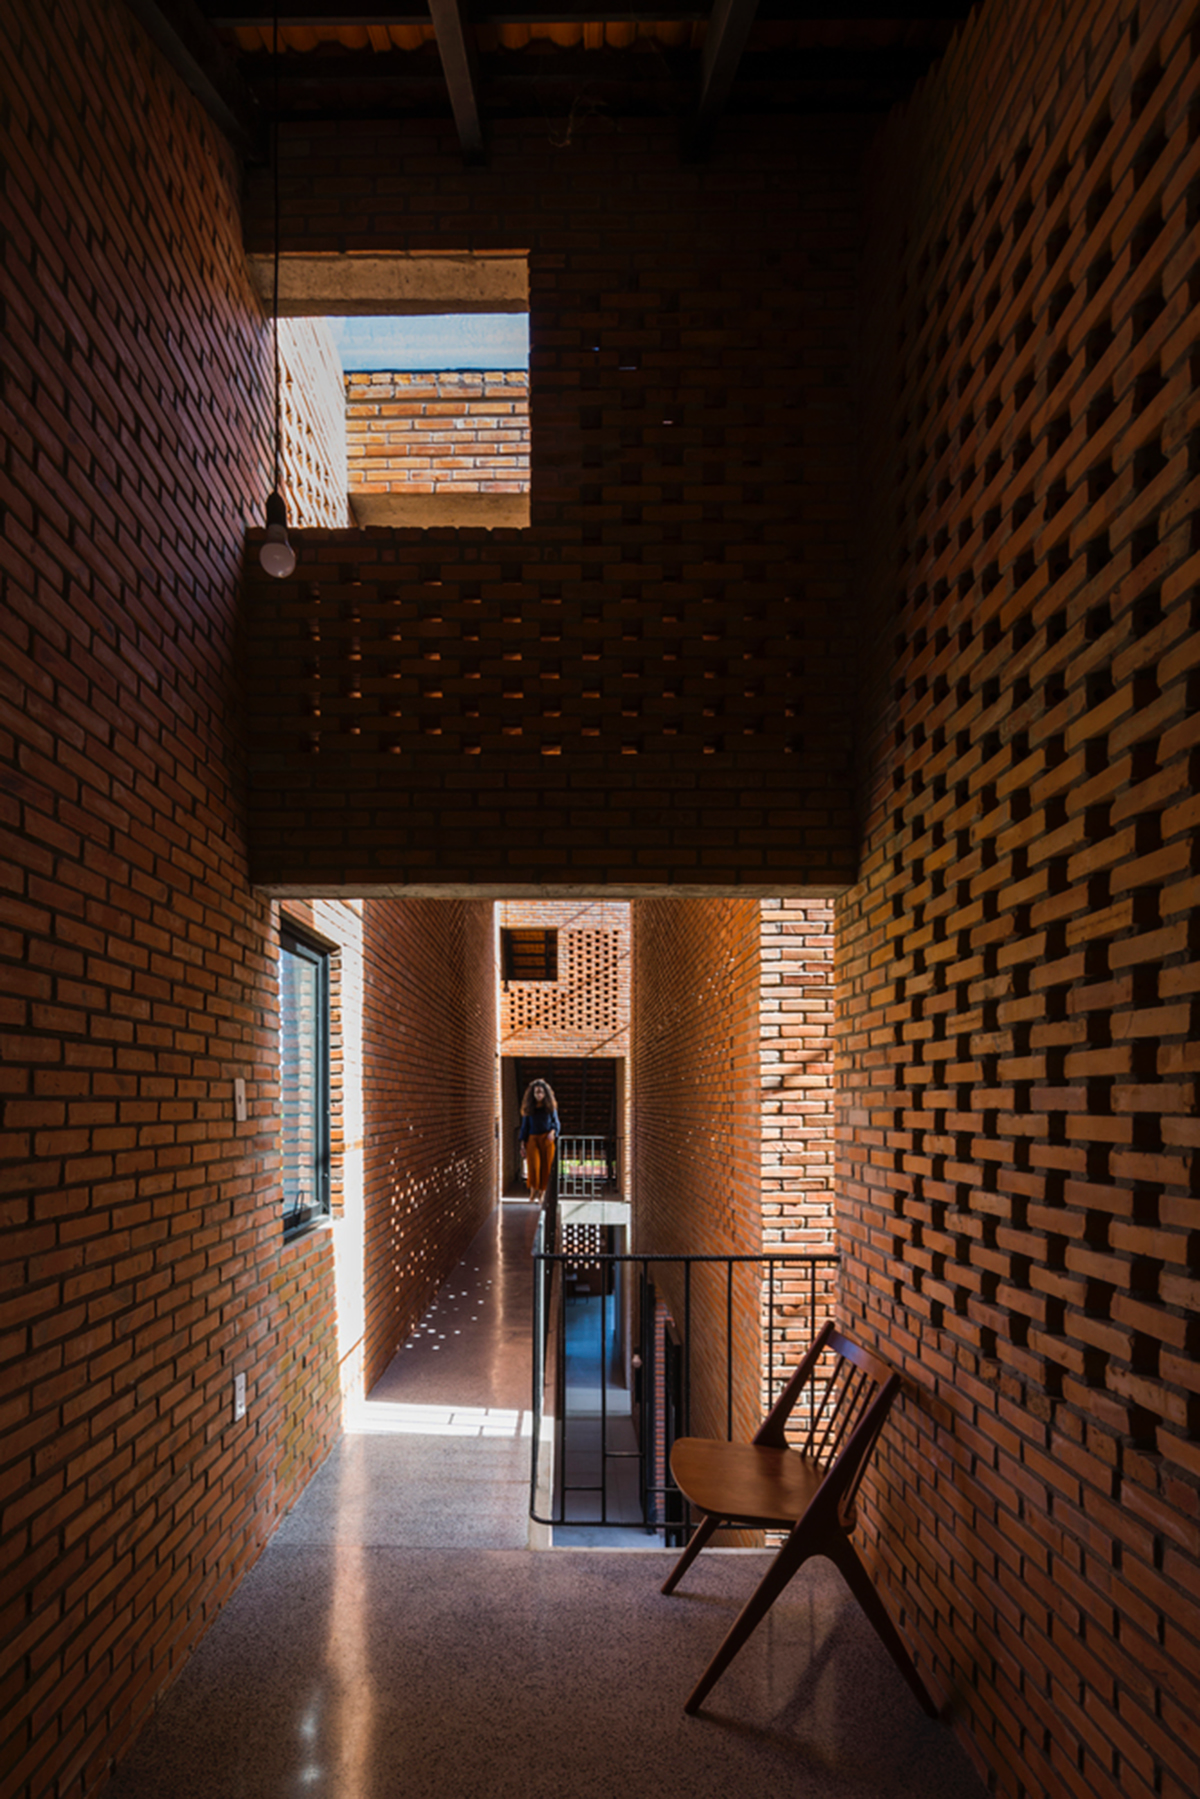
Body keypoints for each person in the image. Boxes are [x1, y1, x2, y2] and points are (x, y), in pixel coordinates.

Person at [518, 1077, 560, 1203]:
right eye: (536, 1092)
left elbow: (556, 1123)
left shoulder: (550, 1107)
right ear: (533, 1094)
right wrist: (522, 1143)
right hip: (532, 1139)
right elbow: (525, 1126)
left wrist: (553, 1132)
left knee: (546, 1167)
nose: (539, 1095)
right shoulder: (529, 1108)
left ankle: (542, 1193)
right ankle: (532, 1192)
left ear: (545, 1093)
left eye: (541, 1092)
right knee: (534, 1167)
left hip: (547, 1139)